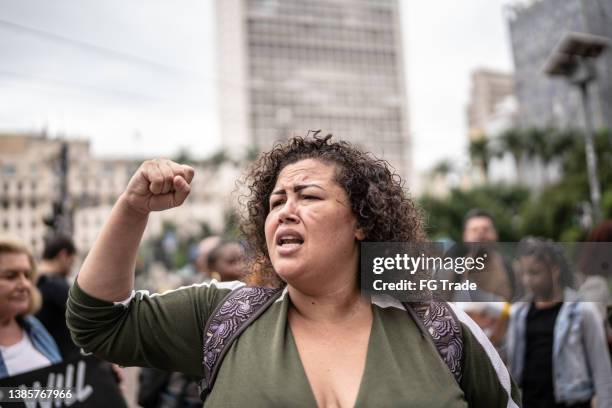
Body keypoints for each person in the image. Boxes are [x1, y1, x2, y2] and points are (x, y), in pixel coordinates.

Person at [67, 134, 521, 407]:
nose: (285, 211)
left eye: (308, 196)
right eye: (275, 202)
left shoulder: (442, 329)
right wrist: (132, 210)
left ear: (363, 220)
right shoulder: (222, 316)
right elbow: (99, 323)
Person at [507, 237, 612, 408]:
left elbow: (602, 372)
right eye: (524, 274)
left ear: (554, 271)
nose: (527, 280)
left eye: (534, 273)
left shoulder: (582, 311)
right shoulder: (519, 313)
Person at [0, 236, 61, 378]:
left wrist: (98, 378)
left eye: (27, 275)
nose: (25, 285)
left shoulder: (33, 326)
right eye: (11, 276)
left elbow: (60, 391)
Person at [35, 233, 79, 360]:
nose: (71, 268)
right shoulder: (56, 284)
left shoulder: (33, 282)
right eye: (71, 262)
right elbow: (85, 314)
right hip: (63, 362)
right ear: (63, 255)